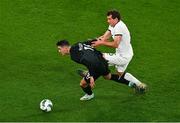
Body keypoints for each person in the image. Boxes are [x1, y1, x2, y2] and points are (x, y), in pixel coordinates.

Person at [56, 39, 143, 101]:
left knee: (83, 84)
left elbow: (89, 62)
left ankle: (90, 95)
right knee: (108, 77)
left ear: (65, 47)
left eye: (60, 49)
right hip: (102, 60)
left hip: (95, 65)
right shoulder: (77, 44)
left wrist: (92, 76)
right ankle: (132, 84)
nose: (59, 51)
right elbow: (90, 42)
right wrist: (99, 39)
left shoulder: (74, 56)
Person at [91, 10, 147, 90]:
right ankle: (140, 85)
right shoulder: (113, 25)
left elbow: (115, 44)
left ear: (116, 19)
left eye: (109, 19)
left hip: (123, 57)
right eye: (107, 19)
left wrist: (101, 43)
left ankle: (90, 74)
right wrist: (95, 41)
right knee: (120, 73)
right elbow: (105, 36)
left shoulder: (119, 27)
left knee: (100, 57)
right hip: (127, 53)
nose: (108, 21)